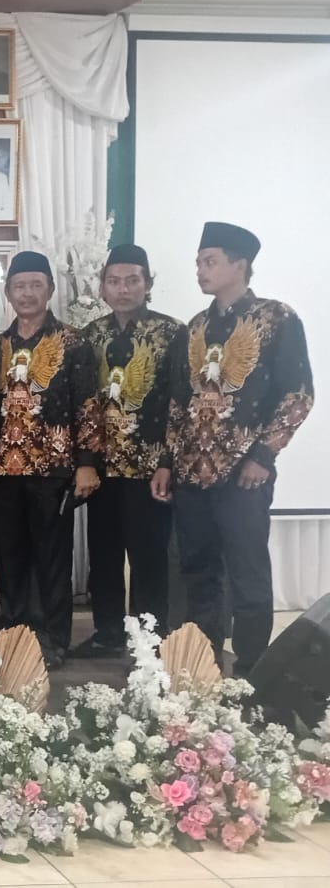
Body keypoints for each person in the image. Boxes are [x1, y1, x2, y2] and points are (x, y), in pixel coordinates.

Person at [168, 222, 314, 678]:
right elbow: (178, 402)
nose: (200, 270)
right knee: (198, 569)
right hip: (192, 474)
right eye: (198, 262)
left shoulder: (276, 318)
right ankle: (203, 662)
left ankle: (252, 669)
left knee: (247, 571)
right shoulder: (195, 327)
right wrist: (168, 462)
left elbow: (298, 395)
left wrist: (263, 456)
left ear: (240, 264)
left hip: (243, 473)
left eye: (210, 261)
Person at [0, 252, 101, 669]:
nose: (27, 293)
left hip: (53, 469)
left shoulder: (73, 343)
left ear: (50, 290)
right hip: (3, 471)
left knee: (51, 559)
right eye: (20, 286)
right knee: (8, 556)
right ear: (8, 292)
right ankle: (12, 633)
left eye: (36, 285)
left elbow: (87, 406)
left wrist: (86, 462)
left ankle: (52, 640)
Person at [75, 244, 184, 657]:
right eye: (114, 281)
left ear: (148, 284)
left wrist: (167, 461)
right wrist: (85, 461)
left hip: (149, 468)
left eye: (132, 280)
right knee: (103, 555)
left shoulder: (172, 333)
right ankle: (107, 633)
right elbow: (84, 404)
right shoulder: (91, 335)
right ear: (102, 287)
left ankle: (149, 639)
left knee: (148, 556)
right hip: (102, 468)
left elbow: (179, 403)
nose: (123, 289)